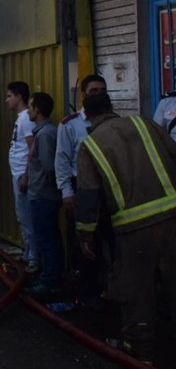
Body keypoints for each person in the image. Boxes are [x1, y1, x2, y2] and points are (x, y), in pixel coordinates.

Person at [76, 92, 176, 365]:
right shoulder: (145, 124)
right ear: (112, 107)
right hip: (173, 217)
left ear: (87, 115)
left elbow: (87, 197)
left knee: (137, 292)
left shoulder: (90, 145)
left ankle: (139, 351)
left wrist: (85, 235)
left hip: (134, 230)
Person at [54, 74, 107, 299]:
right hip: (82, 189)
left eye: (102, 91)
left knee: (109, 238)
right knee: (85, 242)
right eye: (93, 91)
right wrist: (67, 193)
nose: (98, 95)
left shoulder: (113, 123)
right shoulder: (70, 124)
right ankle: (88, 293)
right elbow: (62, 160)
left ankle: (108, 288)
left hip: (108, 189)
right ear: (84, 95)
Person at [25, 92, 63, 296]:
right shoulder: (45, 132)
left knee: (46, 239)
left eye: (30, 107)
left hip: (44, 196)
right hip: (43, 194)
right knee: (49, 238)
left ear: (37, 110)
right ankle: (50, 277)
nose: (28, 111)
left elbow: (49, 167)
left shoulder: (46, 134)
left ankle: (50, 282)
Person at [6, 80, 38, 272]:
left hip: (22, 174)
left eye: (9, 96)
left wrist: (26, 175)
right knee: (22, 215)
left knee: (26, 217)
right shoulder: (22, 118)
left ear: (19, 97)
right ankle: (28, 253)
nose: (7, 100)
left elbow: (32, 148)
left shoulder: (26, 119)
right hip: (17, 172)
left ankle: (33, 258)